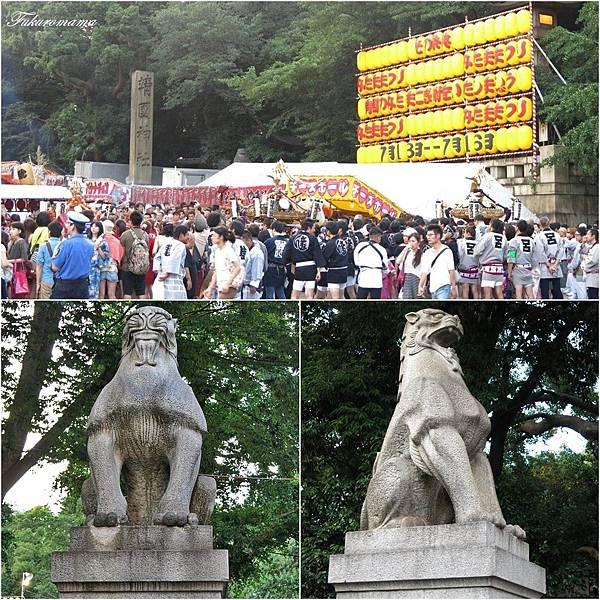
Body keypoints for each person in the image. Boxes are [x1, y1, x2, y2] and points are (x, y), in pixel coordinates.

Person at [50, 212, 94, 299]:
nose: (65, 226)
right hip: (83, 286)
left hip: (65, 287)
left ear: (73, 226)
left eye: (67, 223)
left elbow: (55, 267)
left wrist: (54, 254)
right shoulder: (90, 244)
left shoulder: (66, 244)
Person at [283, 219, 325, 300]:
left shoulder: (293, 238)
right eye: (313, 227)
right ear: (309, 228)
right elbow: (317, 255)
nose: (314, 230)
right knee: (309, 294)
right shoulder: (313, 239)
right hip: (311, 269)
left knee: (295, 294)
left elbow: (286, 253)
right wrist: (318, 270)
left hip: (298, 268)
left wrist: (289, 264)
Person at [418, 224, 458, 299]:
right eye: (427, 235)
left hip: (444, 286)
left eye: (431, 235)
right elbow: (424, 272)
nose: (428, 237)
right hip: (433, 288)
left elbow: (451, 270)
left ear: (438, 236)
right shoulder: (427, 253)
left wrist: (453, 287)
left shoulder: (447, 251)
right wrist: (420, 286)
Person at [203, 226, 242, 300]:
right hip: (221, 284)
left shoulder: (228, 250)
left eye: (214, 235)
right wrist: (210, 287)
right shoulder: (217, 251)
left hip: (229, 284)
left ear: (221, 237)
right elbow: (216, 271)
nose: (212, 237)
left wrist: (228, 283)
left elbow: (238, 267)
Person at [152, 225, 189, 299]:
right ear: (181, 235)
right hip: (174, 277)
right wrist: (167, 272)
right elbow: (174, 258)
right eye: (187, 234)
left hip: (161, 276)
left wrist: (158, 271)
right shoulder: (180, 245)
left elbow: (157, 257)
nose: (189, 237)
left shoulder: (166, 244)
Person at [473, 219, 507, 300]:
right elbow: (507, 254)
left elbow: (477, 250)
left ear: (492, 226)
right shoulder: (504, 238)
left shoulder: (487, 236)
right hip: (499, 268)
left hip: (488, 267)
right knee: (499, 292)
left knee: (487, 294)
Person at [120, 210, 149, 299]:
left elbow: (121, 251)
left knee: (127, 292)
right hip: (141, 267)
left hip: (127, 267)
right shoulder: (145, 235)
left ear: (131, 221)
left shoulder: (125, 234)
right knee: (141, 292)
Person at [354, 226, 388, 299]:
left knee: (360, 299)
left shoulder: (360, 246)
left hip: (363, 277)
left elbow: (356, 262)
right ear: (378, 237)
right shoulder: (382, 250)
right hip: (376, 278)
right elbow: (385, 267)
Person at [506, 220, 536, 299]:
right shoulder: (531, 241)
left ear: (517, 228)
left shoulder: (514, 241)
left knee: (518, 293)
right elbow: (534, 257)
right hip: (528, 269)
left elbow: (511, 257)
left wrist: (509, 272)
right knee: (530, 293)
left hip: (518, 269)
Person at [535, 216, 563, 299]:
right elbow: (561, 250)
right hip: (556, 264)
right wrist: (555, 264)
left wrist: (549, 265)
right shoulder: (557, 235)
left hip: (544, 265)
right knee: (557, 289)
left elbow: (541, 252)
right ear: (549, 223)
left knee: (545, 291)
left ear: (540, 225)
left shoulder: (539, 236)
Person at [35, 220, 62, 299]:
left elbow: (39, 266)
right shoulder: (64, 245)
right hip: (61, 281)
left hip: (46, 280)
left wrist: (38, 283)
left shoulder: (43, 246)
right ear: (60, 233)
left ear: (49, 232)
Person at [322, 221, 349, 300]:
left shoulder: (330, 243)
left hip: (334, 273)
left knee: (335, 298)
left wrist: (326, 266)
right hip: (344, 271)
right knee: (341, 296)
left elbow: (324, 257)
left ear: (328, 231)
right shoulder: (343, 241)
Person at [263, 220, 288, 299]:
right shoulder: (287, 242)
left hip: (270, 269)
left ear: (273, 229)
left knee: (269, 294)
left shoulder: (269, 241)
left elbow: (264, 256)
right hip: (282, 269)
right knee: (280, 291)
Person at [396, 232, 422, 299]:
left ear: (418, 242)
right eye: (410, 241)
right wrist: (406, 248)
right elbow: (398, 261)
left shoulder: (422, 255)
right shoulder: (407, 252)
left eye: (413, 241)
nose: (411, 243)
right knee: (406, 297)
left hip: (417, 279)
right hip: (407, 278)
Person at [88, 220, 110, 300]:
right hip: (86, 268)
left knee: (94, 290)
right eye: (92, 226)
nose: (93, 228)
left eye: (96, 226)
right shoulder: (87, 240)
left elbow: (105, 257)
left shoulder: (103, 241)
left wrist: (98, 248)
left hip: (95, 269)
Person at [100, 220, 121, 299]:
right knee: (112, 294)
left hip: (101, 268)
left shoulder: (100, 240)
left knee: (101, 295)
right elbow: (119, 255)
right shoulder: (116, 241)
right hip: (112, 268)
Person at [457, 226, 480, 299]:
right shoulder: (478, 243)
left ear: (468, 233)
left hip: (464, 268)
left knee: (465, 289)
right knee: (475, 290)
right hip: (475, 268)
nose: (464, 234)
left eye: (465, 232)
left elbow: (460, 254)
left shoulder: (462, 242)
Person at [241, 230, 265, 300]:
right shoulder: (246, 251)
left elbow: (257, 269)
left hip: (251, 285)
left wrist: (254, 284)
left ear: (248, 240)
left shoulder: (257, 253)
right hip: (244, 284)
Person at [583, 228, 599, 299]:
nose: (586, 236)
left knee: (593, 297)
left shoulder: (597, 247)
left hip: (594, 278)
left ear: (593, 236)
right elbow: (585, 250)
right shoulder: (593, 246)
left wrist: (584, 259)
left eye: (588, 234)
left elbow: (592, 261)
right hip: (591, 277)